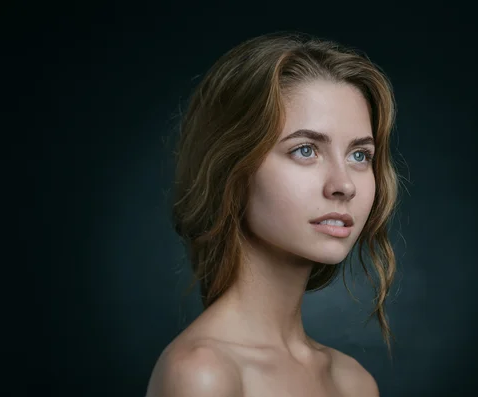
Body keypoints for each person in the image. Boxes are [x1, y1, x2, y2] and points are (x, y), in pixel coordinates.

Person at [146, 31, 400, 397]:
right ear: (232, 168)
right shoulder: (204, 375)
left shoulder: (353, 383)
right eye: (305, 150)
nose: (344, 185)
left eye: (359, 155)